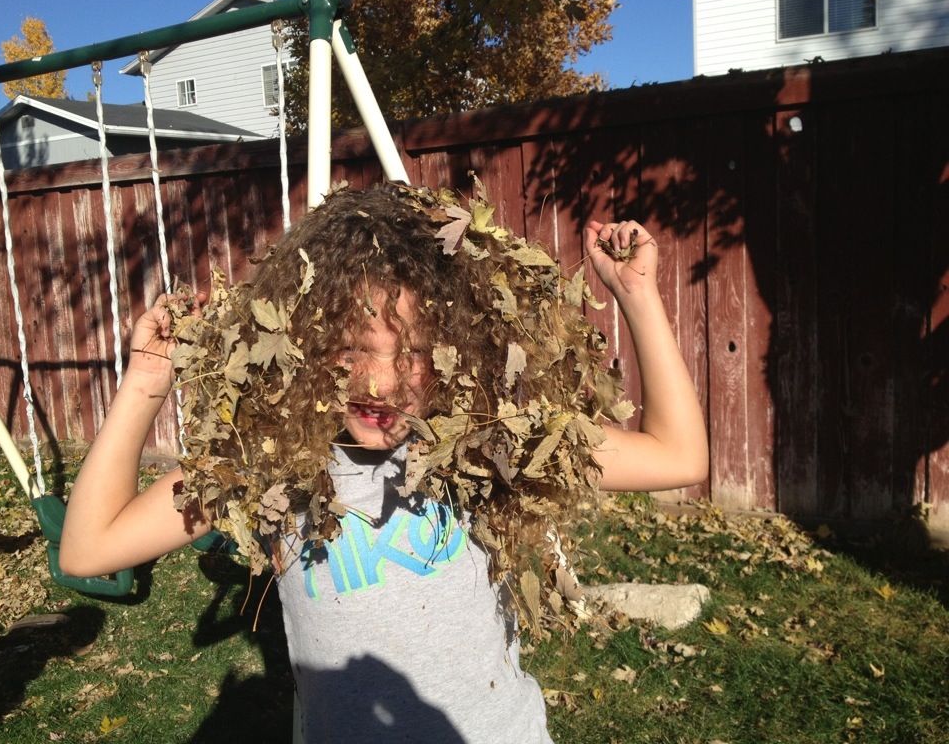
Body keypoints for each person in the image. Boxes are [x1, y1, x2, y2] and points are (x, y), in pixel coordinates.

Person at [60, 182, 708, 744]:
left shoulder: (487, 439)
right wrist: (146, 383)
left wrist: (637, 295)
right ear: (305, 339)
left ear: (459, 349)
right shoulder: (269, 463)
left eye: (412, 353)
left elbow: (678, 456)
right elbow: (89, 549)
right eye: (351, 347)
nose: (379, 382)